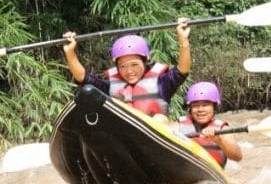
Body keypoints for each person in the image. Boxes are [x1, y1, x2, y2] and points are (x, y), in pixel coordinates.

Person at [61, 19, 190, 117]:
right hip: (122, 138)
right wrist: (70, 52)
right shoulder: (110, 87)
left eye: (134, 65)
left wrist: (183, 39)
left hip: (153, 139)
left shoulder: (161, 83)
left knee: (160, 120)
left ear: (145, 62)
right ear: (117, 67)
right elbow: (83, 78)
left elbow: (182, 70)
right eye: (123, 66)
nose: (129, 71)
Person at [176, 81, 242, 168]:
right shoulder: (178, 126)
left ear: (214, 107)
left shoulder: (222, 130)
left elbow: (237, 157)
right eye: (195, 106)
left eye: (205, 105)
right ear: (190, 108)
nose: (200, 109)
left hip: (212, 176)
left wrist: (219, 140)